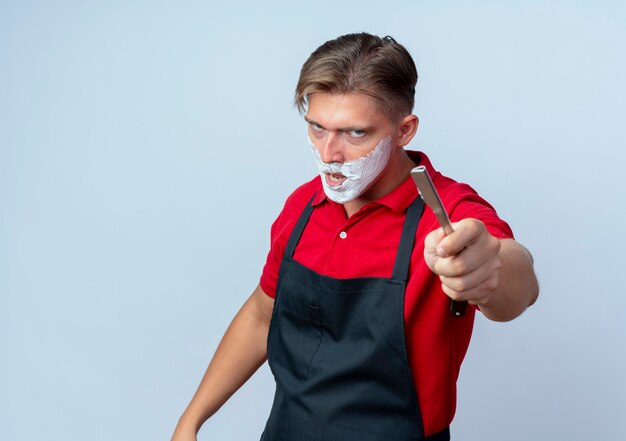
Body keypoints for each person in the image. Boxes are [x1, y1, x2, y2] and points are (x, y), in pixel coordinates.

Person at [171, 32, 539, 441]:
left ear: (404, 130)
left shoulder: (448, 213)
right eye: (317, 127)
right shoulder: (303, 206)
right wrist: (191, 421)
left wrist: (490, 270)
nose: (329, 153)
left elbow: (517, 285)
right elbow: (261, 315)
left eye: (355, 133)